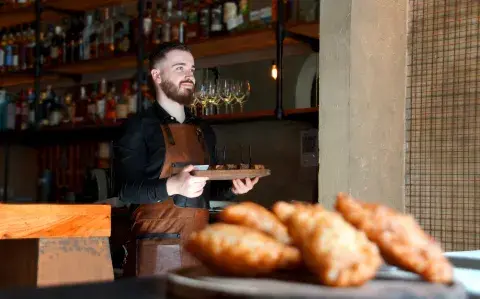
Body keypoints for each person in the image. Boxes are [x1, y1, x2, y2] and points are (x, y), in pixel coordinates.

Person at [113, 41, 259, 277]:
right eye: (180, 68)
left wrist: (233, 188)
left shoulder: (203, 129)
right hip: (154, 251)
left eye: (191, 69)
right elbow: (125, 190)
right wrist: (174, 185)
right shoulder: (138, 126)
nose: (190, 75)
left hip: (198, 248)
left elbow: (205, 192)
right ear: (157, 75)